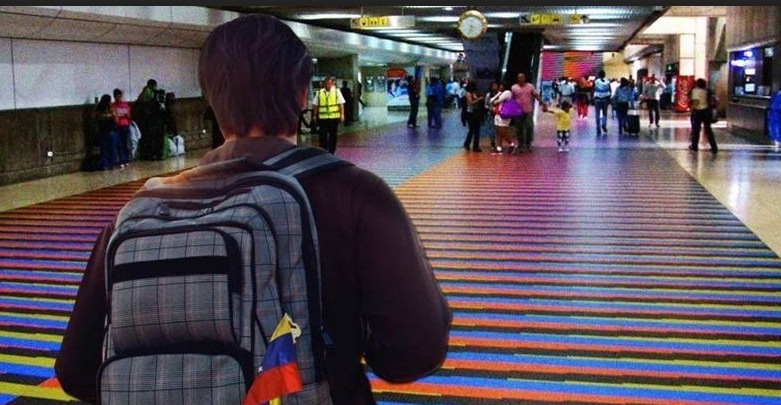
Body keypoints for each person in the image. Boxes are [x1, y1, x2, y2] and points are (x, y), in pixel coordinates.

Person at [54, 14, 451, 404]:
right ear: (303, 95)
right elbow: (413, 352)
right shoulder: (356, 194)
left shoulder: (140, 212)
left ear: (211, 99)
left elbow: (76, 370)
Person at [510, 72, 546, 153]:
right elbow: (512, 99)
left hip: (528, 110)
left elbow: (536, 95)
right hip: (518, 111)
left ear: (524, 78)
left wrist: (542, 103)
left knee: (529, 127)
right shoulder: (514, 87)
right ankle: (520, 145)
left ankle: (528, 144)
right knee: (519, 128)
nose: (520, 79)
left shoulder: (530, 86)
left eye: (522, 77)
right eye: (519, 77)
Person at [312, 76, 345, 153]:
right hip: (323, 118)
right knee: (322, 135)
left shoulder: (336, 91)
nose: (328, 86)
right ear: (324, 84)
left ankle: (332, 150)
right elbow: (315, 105)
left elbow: (341, 104)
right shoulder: (319, 93)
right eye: (326, 84)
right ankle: (323, 150)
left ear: (332, 84)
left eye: (329, 84)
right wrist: (314, 115)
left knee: (333, 135)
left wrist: (342, 114)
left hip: (334, 117)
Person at [688, 77, 718, 153]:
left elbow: (693, 101)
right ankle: (714, 147)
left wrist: (693, 107)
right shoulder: (708, 91)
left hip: (697, 112)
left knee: (696, 130)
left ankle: (694, 146)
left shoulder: (694, 91)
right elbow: (713, 101)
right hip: (706, 112)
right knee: (708, 130)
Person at [94, 94, 118, 170]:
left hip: (101, 131)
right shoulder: (111, 109)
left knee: (103, 149)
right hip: (110, 130)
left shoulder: (98, 110)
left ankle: (105, 165)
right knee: (112, 148)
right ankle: (112, 164)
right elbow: (116, 119)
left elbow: (95, 119)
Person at [489, 81, 515, 154]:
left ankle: (511, 143)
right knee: (498, 131)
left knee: (502, 131)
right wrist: (498, 94)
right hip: (498, 113)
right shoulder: (500, 93)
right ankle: (499, 147)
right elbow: (491, 101)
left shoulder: (507, 92)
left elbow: (496, 102)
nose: (499, 87)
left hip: (504, 114)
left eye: (501, 86)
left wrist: (496, 98)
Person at [461, 79, 484, 152]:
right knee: (472, 130)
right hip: (470, 113)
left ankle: (475, 146)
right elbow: (470, 103)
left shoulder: (475, 93)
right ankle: (467, 144)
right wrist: (478, 99)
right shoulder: (468, 94)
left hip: (476, 113)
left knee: (477, 130)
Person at [110, 88, 131, 168]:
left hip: (125, 125)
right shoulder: (112, 105)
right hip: (117, 126)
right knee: (119, 144)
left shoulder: (125, 105)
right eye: (117, 97)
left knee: (125, 143)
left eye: (119, 97)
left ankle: (126, 159)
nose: (118, 99)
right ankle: (121, 160)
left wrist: (125, 114)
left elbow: (129, 116)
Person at [592, 70, 611, 136]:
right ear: (604, 75)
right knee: (604, 113)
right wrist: (608, 100)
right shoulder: (607, 82)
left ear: (598, 75)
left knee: (597, 114)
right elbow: (609, 91)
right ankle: (603, 125)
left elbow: (593, 90)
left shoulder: (596, 81)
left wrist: (592, 99)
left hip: (597, 99)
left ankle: (598, 128)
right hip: (605, 99)